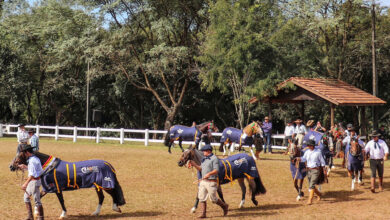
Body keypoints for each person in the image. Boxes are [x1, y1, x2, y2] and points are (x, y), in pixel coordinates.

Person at [189, 145, 228, 218]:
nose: (203, 152)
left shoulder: (214, 159)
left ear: (209, 151)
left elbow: (216, 170)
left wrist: (209, 174)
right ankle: (203, 214)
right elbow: (201, 169)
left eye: (204, 151)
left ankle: (225, 206)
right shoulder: (204, 159)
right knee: (201, 197)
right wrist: (194, 164)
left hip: (211, 182)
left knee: (213, 199)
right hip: (203, 181)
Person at [18, 144, 44, 220]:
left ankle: (41, 218)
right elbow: (36, 170)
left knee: (37, 201)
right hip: (33, 181)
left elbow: (32, 174)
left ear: (27, 152)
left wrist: (25, 184)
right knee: (26, 198)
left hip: (34, 182)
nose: (23, 155)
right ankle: (30, 217)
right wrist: (25, 167)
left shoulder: (32, 160)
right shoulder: (35, 158)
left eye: (24, 153)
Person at [298, 139, 326, 205]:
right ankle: (319, 194)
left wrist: (324, 169)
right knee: (311, 185)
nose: (309, 146)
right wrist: (299, 159)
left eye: (310, 145)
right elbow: (304, 158)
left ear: (313, 146)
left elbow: (322, 161)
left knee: (311, 185)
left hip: (316, 170)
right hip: (309, 170)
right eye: (308, 145)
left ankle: (310, 200)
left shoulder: (318, 152)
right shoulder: (307, 152)